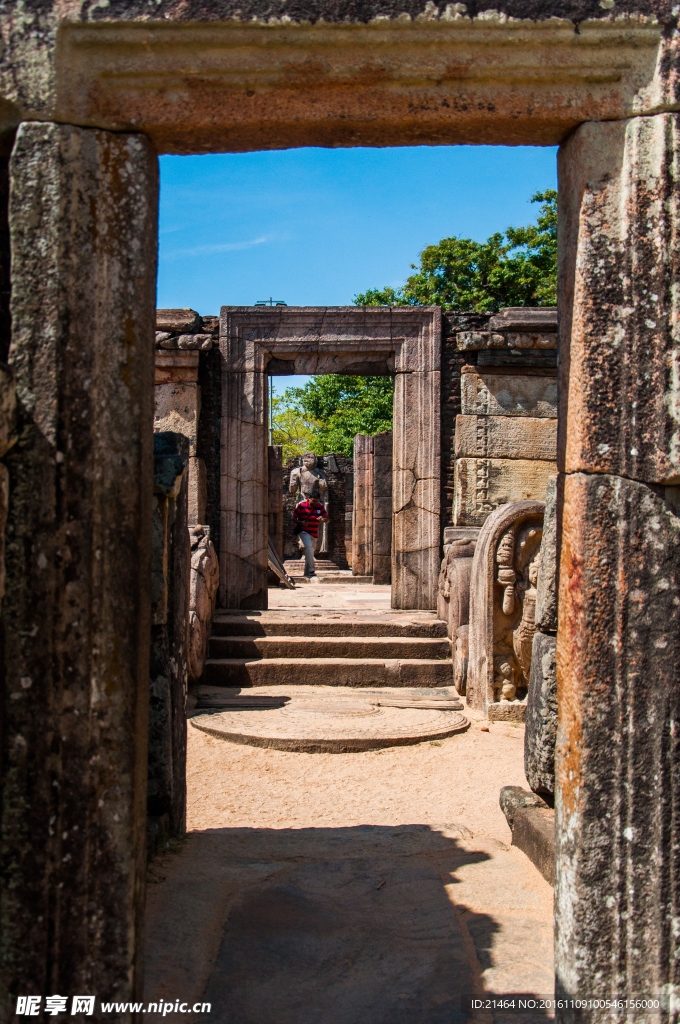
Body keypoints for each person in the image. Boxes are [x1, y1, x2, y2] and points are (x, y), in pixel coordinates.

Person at [292, 497, 329, 583]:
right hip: (303, 531)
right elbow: (293, 518)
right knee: (308, 547)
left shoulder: (320, 506)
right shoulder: (301, 506)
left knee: (311, 551)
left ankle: (306, 573)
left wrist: (323, 519)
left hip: (314, 533)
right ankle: (312, 570)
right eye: (313, 501)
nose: (315, 503)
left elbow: (327, 519)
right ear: (309, 499)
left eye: (317, 501)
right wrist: (300, 523)